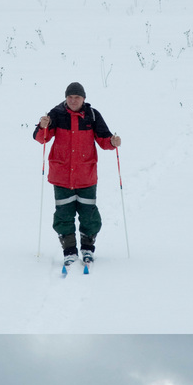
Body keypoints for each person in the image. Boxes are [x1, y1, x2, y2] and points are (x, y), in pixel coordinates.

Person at [34, 82, 121, 266]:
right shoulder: (56, 113)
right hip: (61, 176)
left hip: (86, 175)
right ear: (66, 98)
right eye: (70, 97)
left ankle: (87, 248)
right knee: (63, 214)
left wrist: (113, 142)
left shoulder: (92, 115)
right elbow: (42, 137)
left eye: (77, 97)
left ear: (84, 99)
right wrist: (43, 126)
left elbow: (104, 139)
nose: (73, 101)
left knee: (89, 214)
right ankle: (69, 251)